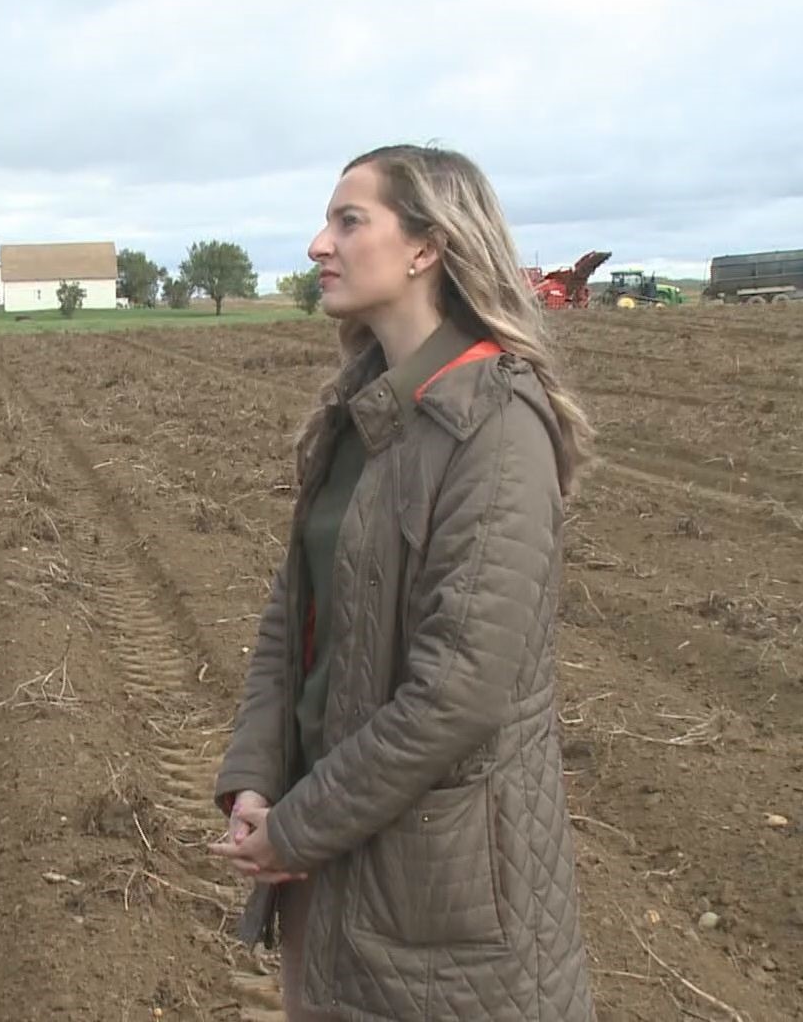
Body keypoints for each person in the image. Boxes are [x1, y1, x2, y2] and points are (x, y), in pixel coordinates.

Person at [208, 144, 597, 1021]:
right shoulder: (364, 412)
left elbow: (456, 695)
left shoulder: (496, 426)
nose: (319, 244)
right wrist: (259, 779)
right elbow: (291, 617)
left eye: (350, 220)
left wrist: (298, 827)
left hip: (439, 894)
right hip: (325, 850)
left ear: (427, 246)